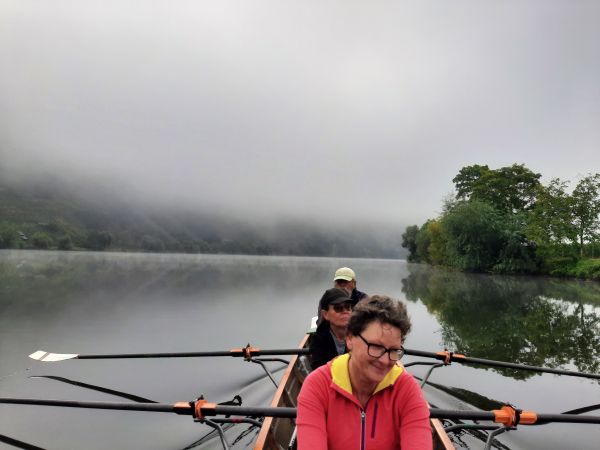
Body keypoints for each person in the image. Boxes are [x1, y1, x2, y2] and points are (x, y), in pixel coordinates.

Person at [297, 295, 432, 450]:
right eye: (375, 346)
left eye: (394, 350)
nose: (385, 360)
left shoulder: (406, 390)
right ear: (349, 339)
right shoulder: (317, 385)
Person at [310, 288, 356, 370]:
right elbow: (318, 368)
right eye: (338, 308)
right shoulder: (318, 337)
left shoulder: (359, 333)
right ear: (325, 314)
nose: (345, 311)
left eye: (348, 307)